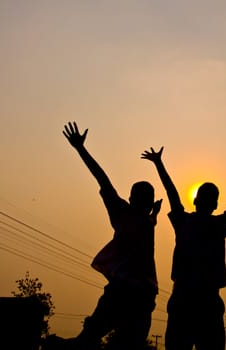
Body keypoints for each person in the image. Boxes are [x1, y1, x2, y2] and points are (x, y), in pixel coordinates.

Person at [141, 146, 226, 350]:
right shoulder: (218, 226)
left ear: (195, 201)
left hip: (184, 300)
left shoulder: (184, 222)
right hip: (207, 302)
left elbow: (172, 192)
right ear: (215, 204)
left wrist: (159, 164)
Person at [51, 121, 162, 350]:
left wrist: (80, 149)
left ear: (133, 199)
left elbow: (103, 179)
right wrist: (80, 149)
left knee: (93, 337)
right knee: (102, 338)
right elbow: (102, 179)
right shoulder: (136, 217)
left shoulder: (133, 215)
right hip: (135, 293)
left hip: (131, 292)